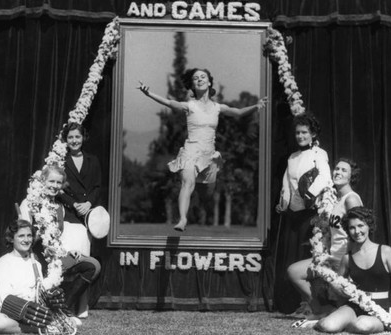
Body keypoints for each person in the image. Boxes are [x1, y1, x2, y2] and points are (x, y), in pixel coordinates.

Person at [138, 68, 268, 232]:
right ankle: (183, 219)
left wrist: (257, 106)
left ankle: (201, 200)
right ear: (192, 85)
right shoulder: (189, 106)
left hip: (209, 156)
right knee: (188, 182)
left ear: (209, 82)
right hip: (191, 151)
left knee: (207, 194)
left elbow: (238, 113)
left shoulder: (217, 107)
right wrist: (149, 93)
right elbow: (169, 103)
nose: (199, 79)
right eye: (195, 78)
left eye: (202, 77)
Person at [20, 165, 101, 322]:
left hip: (56, 257)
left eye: (59, 183)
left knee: (93, 266)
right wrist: (37, 234)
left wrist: (70, 251)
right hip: (34, 258)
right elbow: (22, 238)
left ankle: (63, 310)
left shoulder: (59, 207)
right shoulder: (29, 204)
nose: (55, 186)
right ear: (42, 180)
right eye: (51, 181)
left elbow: (57, 237)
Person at [287, 158, 363, 323]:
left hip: (344, 261)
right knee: (294, 271)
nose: (338, 172)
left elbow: (361, 233)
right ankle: (322, 310)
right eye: (337, 169)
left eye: (344, 170)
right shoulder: (337, 200)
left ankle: (335, 311)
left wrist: (350, 263)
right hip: (331, 258)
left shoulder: (351, 199)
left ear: (351, 177)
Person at [315, 207, 391, 333]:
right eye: (352, 227)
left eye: (361, 225)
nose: (357, 231)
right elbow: (336, 288)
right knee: (327, 325)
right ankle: (336, 320)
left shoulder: (385, 251)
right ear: (348, 230)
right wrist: (336, 286)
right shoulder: (347, 258)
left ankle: (353, 323)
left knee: (362, 325)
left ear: (369, 226)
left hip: (381, 308)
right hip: (355, 306)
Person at [273, 112, 332, 314]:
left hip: (311, 215)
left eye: (304, 132)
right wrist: (284, 203)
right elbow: (287, 185)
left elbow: (325, 176)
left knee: (310, 259)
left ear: (313, 133)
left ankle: (313, 304)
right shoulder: (292, 157)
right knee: (293, 259)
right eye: (297, 133)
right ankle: (299, 303)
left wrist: (310, 193)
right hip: (294, 216)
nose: (300, 136)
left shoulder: (319, 154)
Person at [56, 122, 103, 318]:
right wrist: (73, 204)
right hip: (69, 217)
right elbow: (58, 190)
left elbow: (98, 187)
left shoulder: (93, 160)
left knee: (85, 259)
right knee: (68, 261)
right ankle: (61, 305)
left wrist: (89, 203)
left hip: (87, 218)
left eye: (77, 137)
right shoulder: (61, 161)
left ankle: (81, 307)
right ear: (66, 140)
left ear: (83, 138)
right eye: (70, 138)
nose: (74, 141)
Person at [0, 219, 56, 333]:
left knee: (74, 321)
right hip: (8, 313)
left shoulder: (36, 264)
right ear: (12, 239)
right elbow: (5, 301)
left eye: (29, 236)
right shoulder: (3, 263)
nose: (26, 240)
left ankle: (37, 326)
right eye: (21, 236)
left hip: (33, 313)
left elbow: (39, 294)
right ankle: (35, 329)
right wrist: (31, 311)